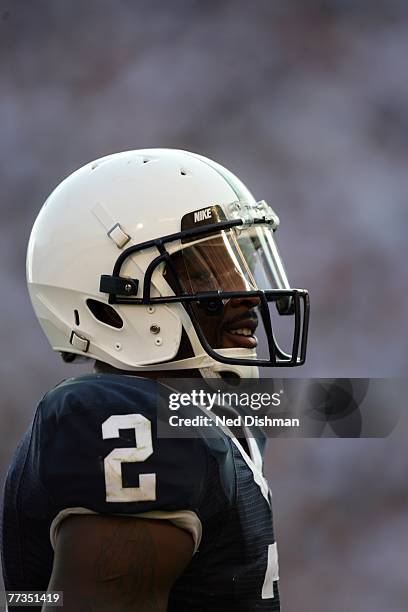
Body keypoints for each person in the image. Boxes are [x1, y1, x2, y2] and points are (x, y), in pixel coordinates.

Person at [1, 149, 309, 611]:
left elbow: (349, 409)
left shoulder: (193, 406)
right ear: (116, 293)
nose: (246, 292)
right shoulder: (122, 417)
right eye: (208, 268)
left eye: (240, 262)